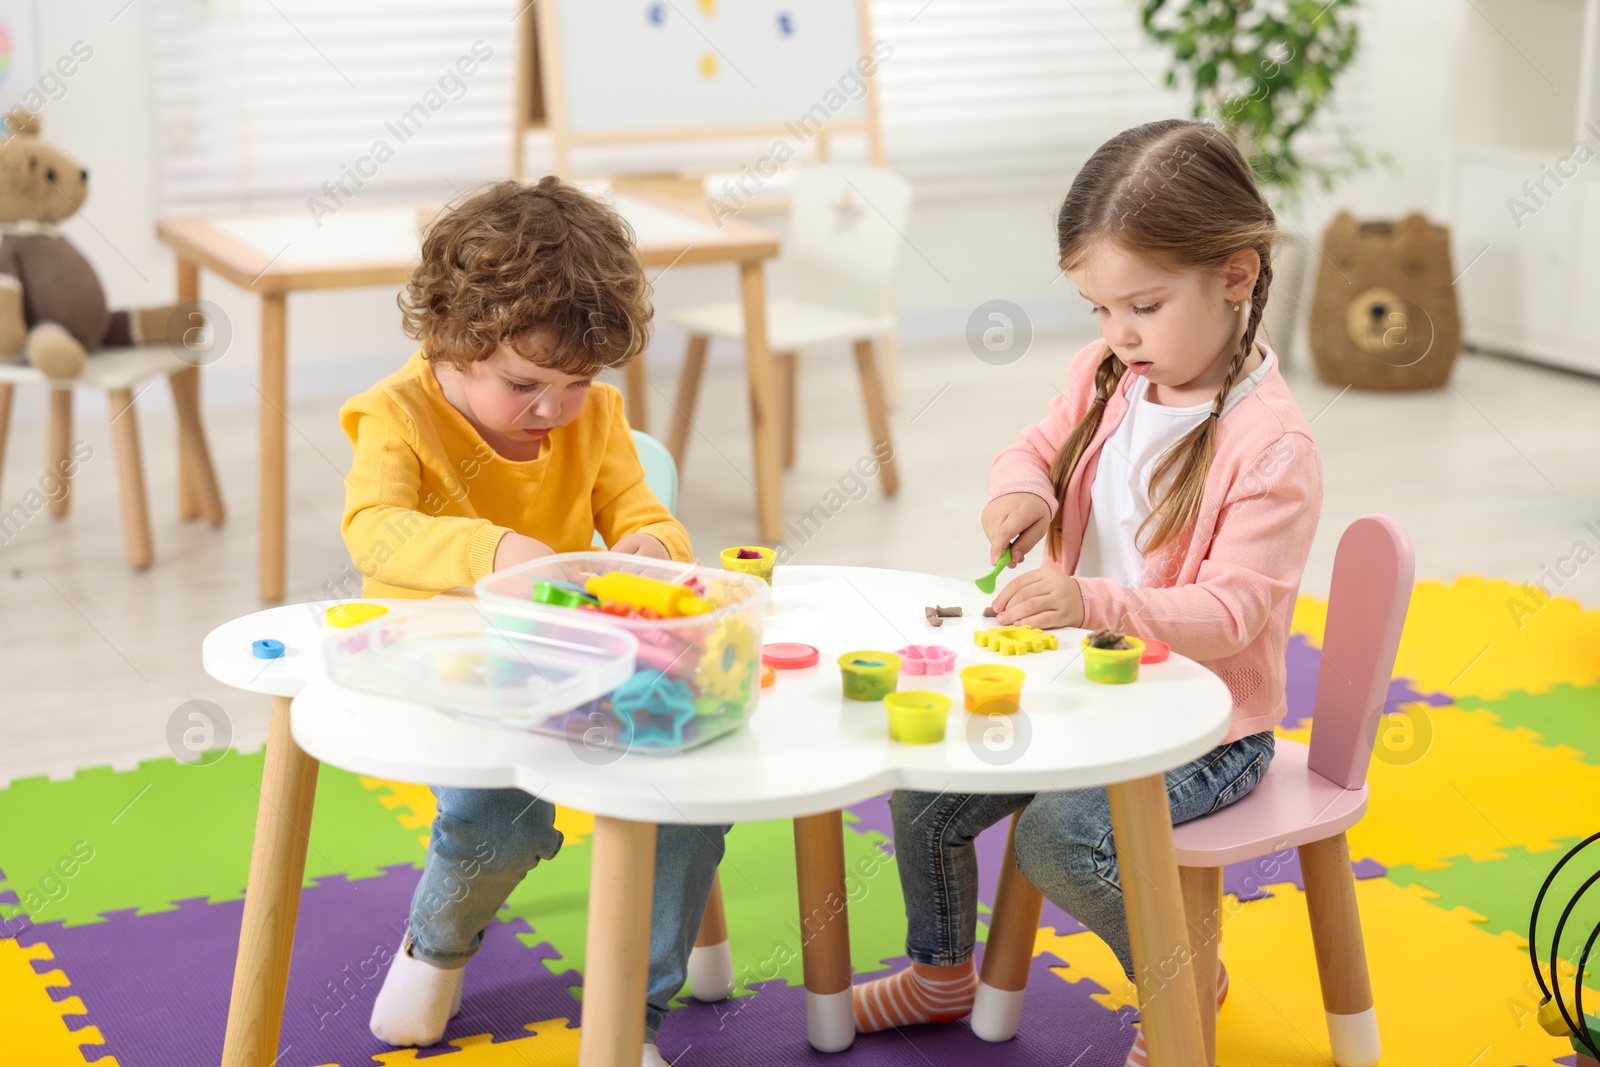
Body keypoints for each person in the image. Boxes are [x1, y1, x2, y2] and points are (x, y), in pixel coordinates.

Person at [852, 118, 1323, 1067]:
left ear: (1235, 276)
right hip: (1079, 693)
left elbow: (1233, 615)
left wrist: (1092, 602)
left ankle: (1180, 972)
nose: (1116, 334)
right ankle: (943, 970)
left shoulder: (1272, 448)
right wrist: (1018, 491)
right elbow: (1032, 445)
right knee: (923, 784)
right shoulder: (1111, 373)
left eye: (1142, 306)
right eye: (1097, 309)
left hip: (1207, 730)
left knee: (1061, 839)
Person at [340, 177, 722, 1067]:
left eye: (577, 383)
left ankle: (637, 1015)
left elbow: (645, 515)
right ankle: (435, 946)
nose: (554, 408)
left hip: (585, 659)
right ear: (449, 337)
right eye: (524, 384)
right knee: (498, 818)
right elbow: (373, 533)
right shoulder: (397, 417)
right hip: (462, 673)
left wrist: (651, 551)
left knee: (687, 803)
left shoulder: (599, 420)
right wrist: (498, 551)